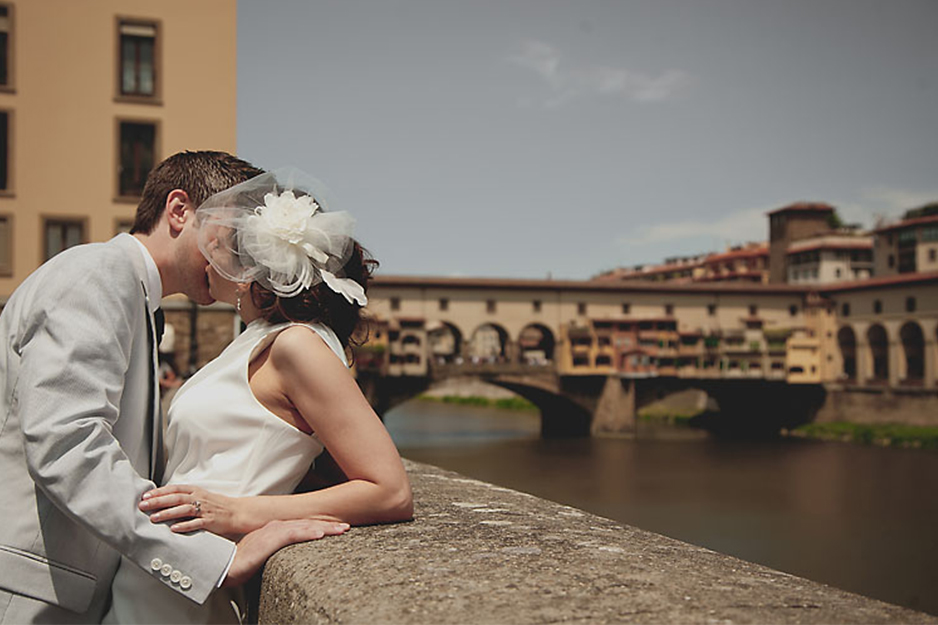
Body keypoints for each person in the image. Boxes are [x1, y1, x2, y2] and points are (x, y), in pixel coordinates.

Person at [0, 152, 349, 624]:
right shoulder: (96, 276)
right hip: (31, 602)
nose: (242, 262)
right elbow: (66, 445)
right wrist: (214, 560)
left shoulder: (135, 297)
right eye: (233, 237)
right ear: (179, 211)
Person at [104, 169, 413, 623]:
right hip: (159, 568)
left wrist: (242, 513)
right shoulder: (257, 339)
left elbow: (390, 491)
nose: (207, 255)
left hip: (196, 583)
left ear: (253, 267)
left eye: (222, 245)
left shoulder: (297, 345)